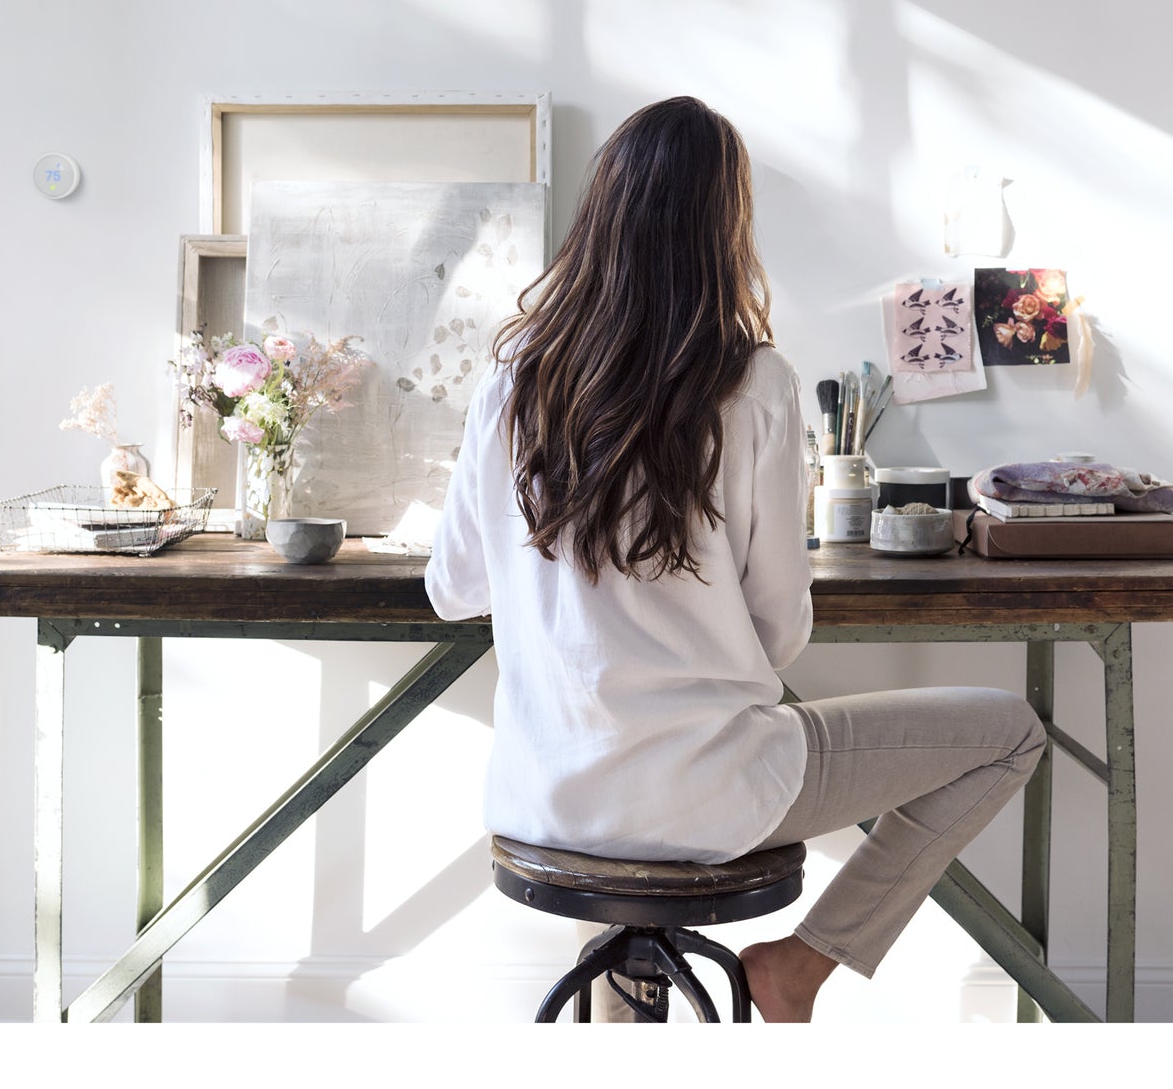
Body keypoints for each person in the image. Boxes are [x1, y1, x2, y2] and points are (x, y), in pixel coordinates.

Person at [425, 96, 1043, 1022]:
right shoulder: (754, 382)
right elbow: (780, 630)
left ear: (600, 216)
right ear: (726, 223)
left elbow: (452, 590)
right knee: (1010, 730)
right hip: (710, 794)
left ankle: (629, 1023)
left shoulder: (516, 381)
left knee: (633, 792)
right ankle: (799, 966)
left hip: (544, 798)